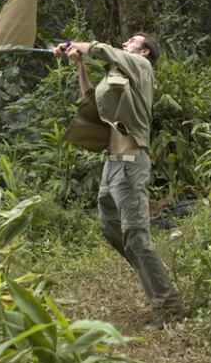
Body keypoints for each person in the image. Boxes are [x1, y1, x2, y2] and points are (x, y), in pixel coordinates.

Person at [52, 34, 185, 328]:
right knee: (109, 227)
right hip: (110, 167)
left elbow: (105, 51)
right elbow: (92, 104)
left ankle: (169, 309)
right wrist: (79, 65)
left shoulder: (141, 68)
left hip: (130, 164)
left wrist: (80, 45)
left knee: (136, 237)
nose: (126, 43)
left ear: (145, 50)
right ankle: (153, 273)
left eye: (132, 41)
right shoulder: (117, 78)